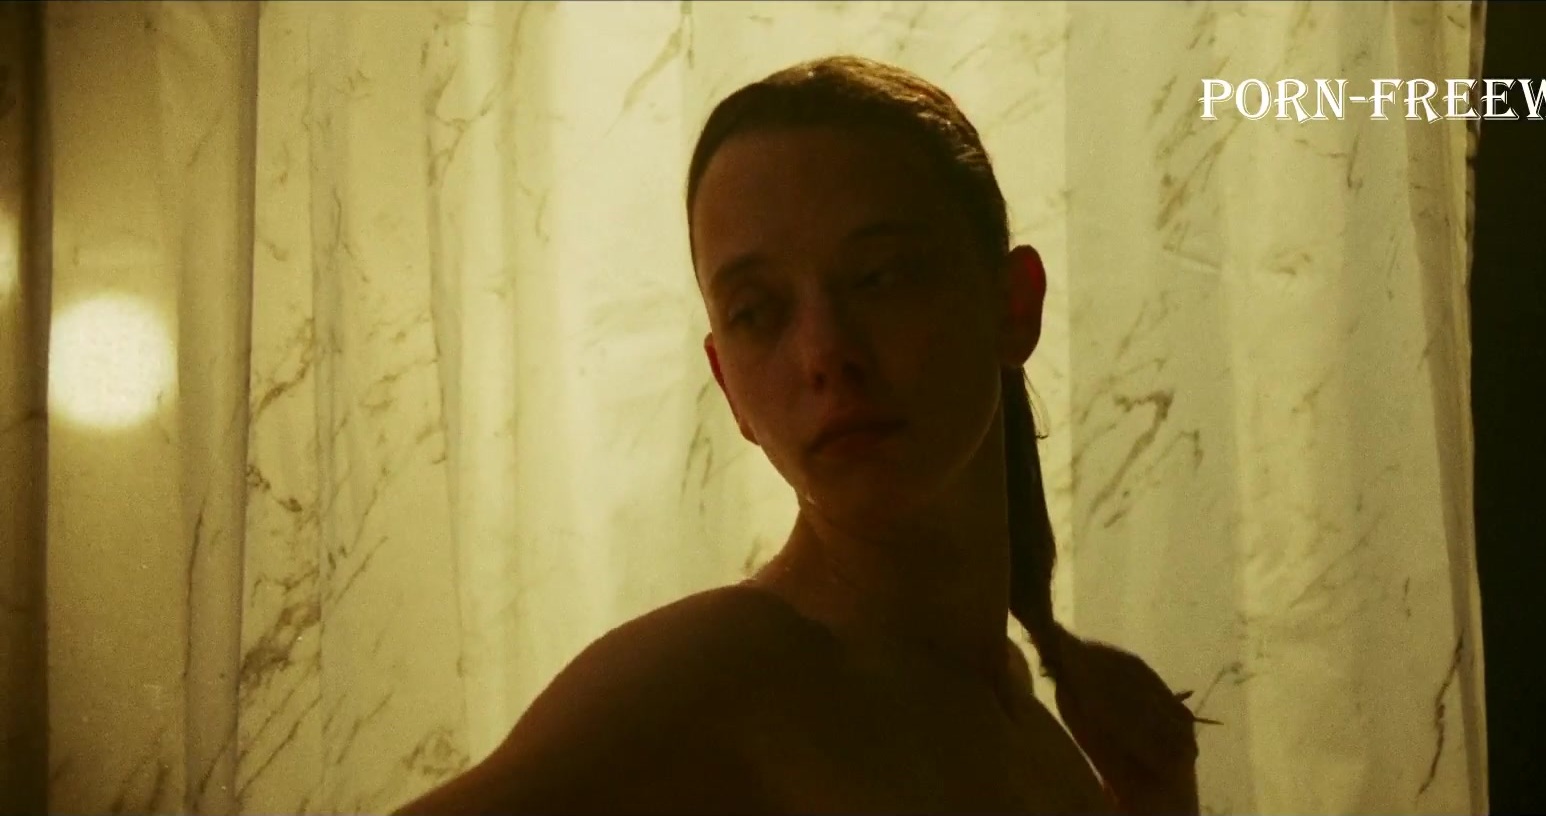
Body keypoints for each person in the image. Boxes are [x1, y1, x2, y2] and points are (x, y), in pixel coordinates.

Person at [395, 55, 1207, 815]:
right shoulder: (715, 680)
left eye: (880, 276)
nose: (824, 354)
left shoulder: (1033, 731)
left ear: (1013, 306)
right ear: (729, 388)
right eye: (758, 312)